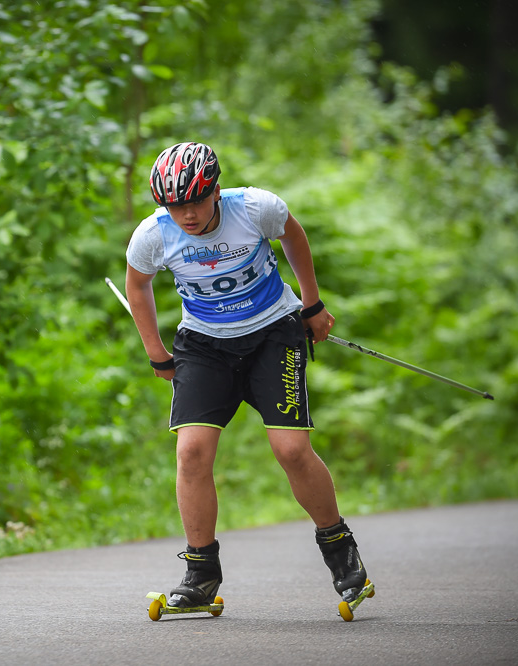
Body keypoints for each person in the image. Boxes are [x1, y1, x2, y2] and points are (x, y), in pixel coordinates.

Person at [125, 141, 367, 609]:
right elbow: (138, 283)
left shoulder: (256, 208)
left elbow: (294, 237)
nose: (187, 215)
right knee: (191, 451)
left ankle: (341, 552)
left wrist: (312, 304)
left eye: (195, 200)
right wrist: (156, 352)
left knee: (291, 450)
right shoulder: (153, 235)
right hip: (204, 344)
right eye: (175, 205)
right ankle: (200, 575)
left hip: (273, 332)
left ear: (215, 190)